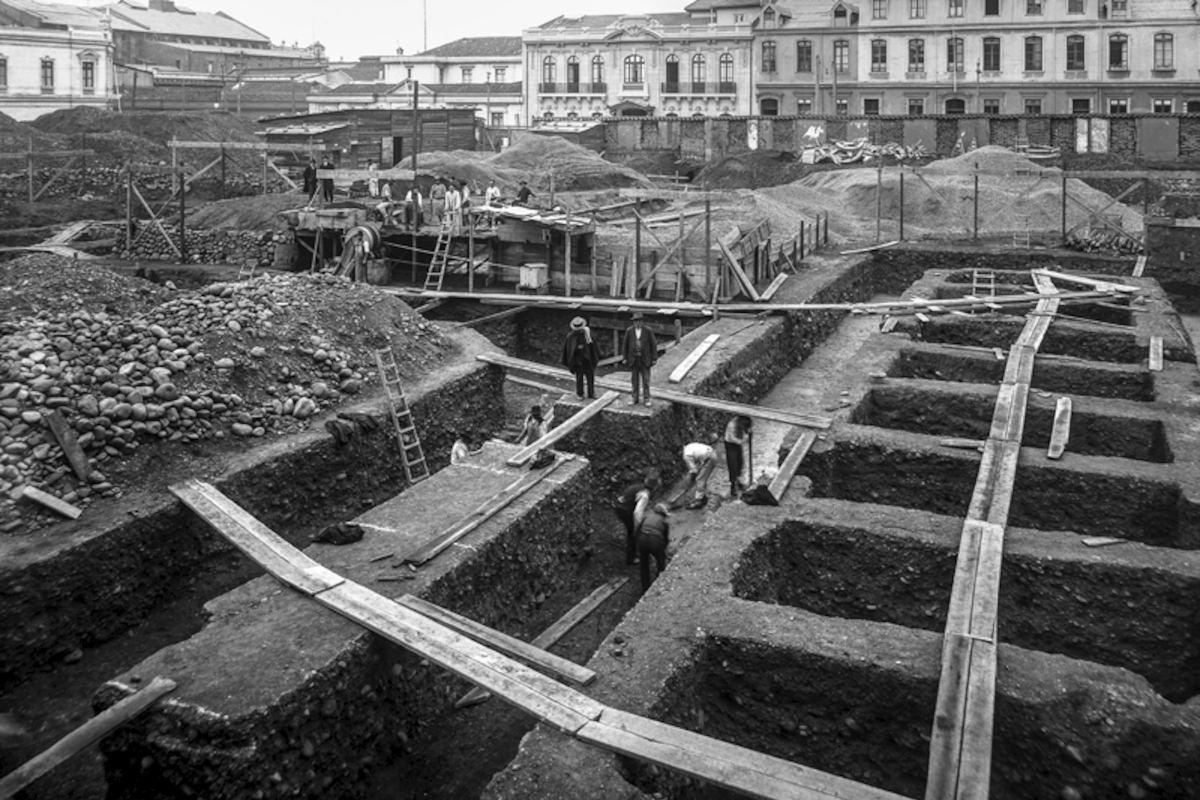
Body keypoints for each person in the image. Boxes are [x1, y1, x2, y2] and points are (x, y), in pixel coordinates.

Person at [613, 471, 661, 566]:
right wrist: (637, 526)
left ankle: (634, 548)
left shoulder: (637, 487)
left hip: (618, 506)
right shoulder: (645, 495)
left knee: (632, 529)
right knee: (632, 534)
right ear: (654, 487)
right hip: (625, 511)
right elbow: (638, 512)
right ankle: (631, 558)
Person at [622, 312, 657, 407]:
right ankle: (635, 398)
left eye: (639, 321)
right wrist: (625, 357)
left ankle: (646, 398)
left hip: (645, 359)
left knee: (646, 380)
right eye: (636, 321)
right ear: (633, 322)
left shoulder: (648, 331)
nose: (638, 323)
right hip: (634, 359)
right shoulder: (629, 331)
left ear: (642, 322)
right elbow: (625, 345)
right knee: (634, 380)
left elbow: (653, 345)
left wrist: (654, 358)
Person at [561, 316, 600, 400]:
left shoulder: (587, 333)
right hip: (578, 361)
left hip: (588, 359)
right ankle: (580, 394)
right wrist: (577, 348)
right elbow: (569, 350)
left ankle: (591, 393)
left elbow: (592, 344)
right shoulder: (570, 336)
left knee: (590, 377)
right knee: (579, 378)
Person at [636, 503, 671, 594]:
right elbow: (665, 539)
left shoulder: (646, 517)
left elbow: (637, 531)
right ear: (664, 514)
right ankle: (660, 582)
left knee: (644, 565)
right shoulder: (664, 522)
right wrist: (663, 551)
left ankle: (645, 587)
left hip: (642, 539)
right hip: (655, 541)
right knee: (660, 562)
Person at [682, 437, 719, 510]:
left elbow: (694, 470)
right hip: (711, 454)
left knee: (700, 479)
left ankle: (698, 501)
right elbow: (696, 466)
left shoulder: (686, 456)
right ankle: (702, 497)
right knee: (702, 477)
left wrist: (690, 481)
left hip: (709, 458)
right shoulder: (689, 447)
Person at [724, 415, 752, 497]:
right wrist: (744, 440)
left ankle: (739, 482)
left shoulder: (743, 424)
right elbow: (732, 438)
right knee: (733, 464)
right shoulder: (731, 425)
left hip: (738, 444)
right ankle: (733, 486)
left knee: (740, 462)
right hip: (730, 445)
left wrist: (748, 433)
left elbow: (746, 431)